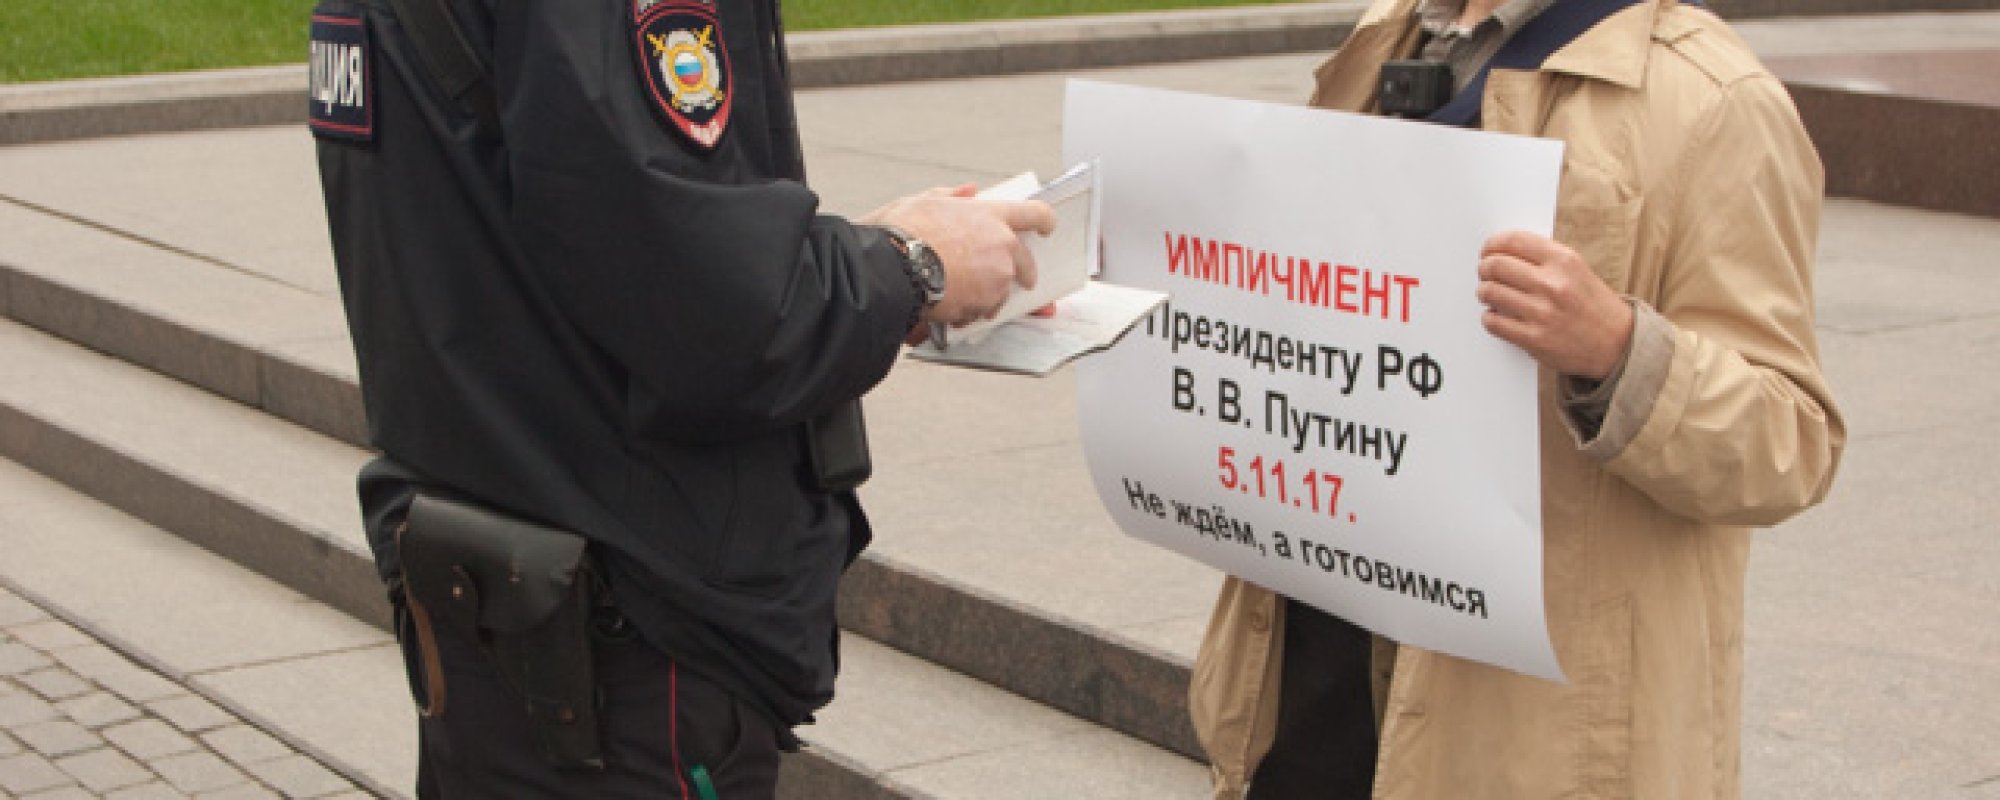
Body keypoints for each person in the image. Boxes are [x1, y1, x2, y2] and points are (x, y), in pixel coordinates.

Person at [308, 0, 1052, 796]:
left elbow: (581, 230)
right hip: (623, 631)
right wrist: (911, 265)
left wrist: (847, 258)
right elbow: (717, 317)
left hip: (504, 593)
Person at [1189, 0, 1846, 796]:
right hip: (1319, 674)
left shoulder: (1713, 98)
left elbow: (1789, 443)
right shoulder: (1392, 32)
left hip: (1529, 730)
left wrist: (1617, 351)